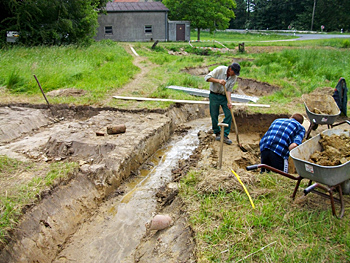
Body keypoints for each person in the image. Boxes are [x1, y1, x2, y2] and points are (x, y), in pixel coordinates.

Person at [205, 62, 241, 145]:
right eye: (234, 72)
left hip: (224, 96)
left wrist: (229, 102)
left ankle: (224, 134)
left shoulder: (234, 77)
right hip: (214, 95)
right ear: (230, 69)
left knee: (229, 113)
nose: (234, 75)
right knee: (214, 114)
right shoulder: (220, 69)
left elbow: (228, 90)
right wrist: (218, 81)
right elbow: (207, 78)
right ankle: (217, 132)